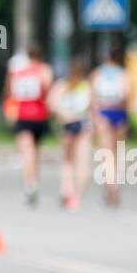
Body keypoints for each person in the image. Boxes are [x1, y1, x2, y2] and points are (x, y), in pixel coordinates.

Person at [4, 46, 52, 205]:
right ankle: (34, 181)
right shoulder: (44, 70)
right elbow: (47, 91)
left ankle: (30, 184)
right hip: (39, 115)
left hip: (23, 115)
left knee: (26, 152)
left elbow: (10, 93)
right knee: (35, 152)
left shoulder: (18, 72)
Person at [47, 58, 92, 209]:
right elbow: (93, 107)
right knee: (82, 162)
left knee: (67, 161)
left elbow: (51, 105)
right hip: (82, 125)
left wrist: (62, 115)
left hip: (67, 124)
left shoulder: (61, 86)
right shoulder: (86, 86)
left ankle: (67, 190)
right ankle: (77, 195)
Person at [91, 48, 130, 206]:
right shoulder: (123, 74)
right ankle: (114, 183)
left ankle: (110, 186)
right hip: (119, 113)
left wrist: (94, 118)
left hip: (104, 113)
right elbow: (127, 95)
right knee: (117, 152)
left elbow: (92, 98)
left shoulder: (97, 74)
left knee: (106, 153)